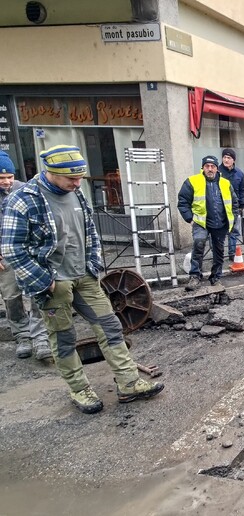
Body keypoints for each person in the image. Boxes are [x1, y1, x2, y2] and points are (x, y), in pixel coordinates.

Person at [0, 145, 164, 414]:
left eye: (79, 178)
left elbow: (90, 232)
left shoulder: (76, 194)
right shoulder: (24, 199)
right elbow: (12, 249)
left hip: (84, 276)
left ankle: (129, 383)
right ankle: (79, 389)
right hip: (52, 282)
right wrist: (44, 281)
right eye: (71, 179)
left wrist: (94, 265)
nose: (77, 183)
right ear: (51, 172)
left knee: (110, 325)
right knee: (63, 337)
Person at [0, 151, 51, 361]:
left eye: (9, 177)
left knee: (37, 291)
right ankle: (22, 335)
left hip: (29, 250)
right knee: (11, 296)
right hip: (5, 254)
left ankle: (41, 337)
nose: (6, 182)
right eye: (1, 178)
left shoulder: (25, 189)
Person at [177, 155, 235, 290]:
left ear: (216, 168)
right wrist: (189, 218)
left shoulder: (225, 183)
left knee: (219, 251)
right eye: (207, 166)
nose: (210, 169)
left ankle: (216, 278)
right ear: (202, 168)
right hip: (200, 222)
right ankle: (195, 277)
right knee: (198, 245)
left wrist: (233, 217)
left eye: (213, 166)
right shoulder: (192, 181)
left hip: (220, 223)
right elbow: (183, 202)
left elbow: (234, 202)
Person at [218, 148, 244, 261]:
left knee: (233, 231)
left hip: (234, 207)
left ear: (233, 160)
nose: (226, 159)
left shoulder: (239, 173)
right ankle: (218, 254)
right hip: (220, 207)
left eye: (229, 158)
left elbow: (241, 190)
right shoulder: (217, 172)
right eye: (224, 157)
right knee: (218, 232)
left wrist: (242, 204)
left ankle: (231, 254)